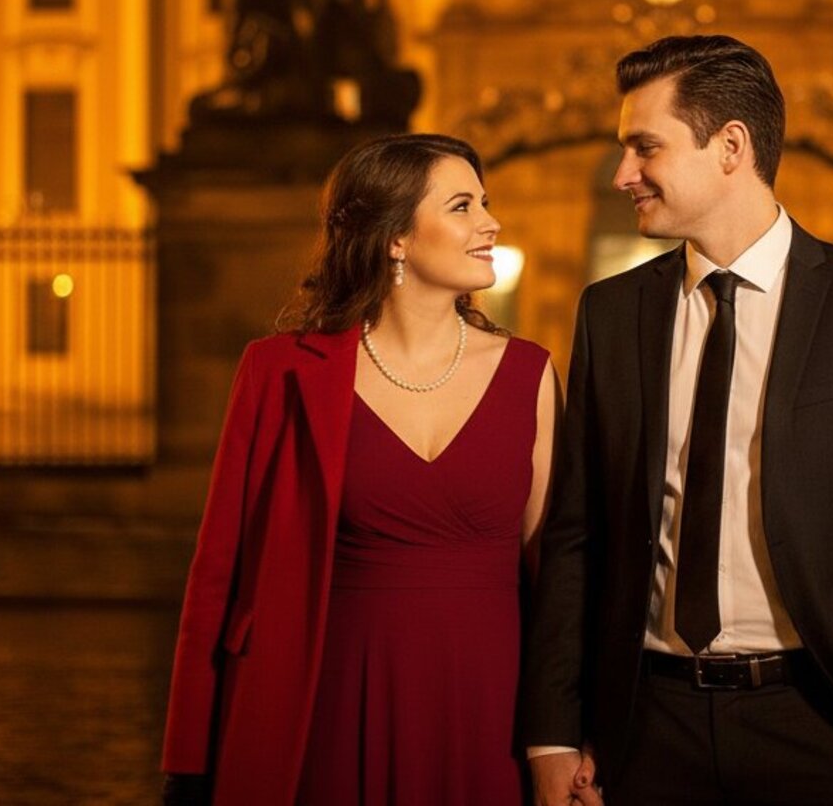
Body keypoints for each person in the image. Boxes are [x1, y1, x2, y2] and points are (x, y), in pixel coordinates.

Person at [524, 35, 833, 806]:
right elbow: (577, 536)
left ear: (730, 146)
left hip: (824, 720)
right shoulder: (611, 312)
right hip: (644, 725)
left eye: (644, 147)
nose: (621, 174)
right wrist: (555, 734)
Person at [161, 133, 579, 805]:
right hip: (330, 703)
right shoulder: (280, 372)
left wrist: (564, 735)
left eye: (486, 203)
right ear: (396, 238)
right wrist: (187, 761)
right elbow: (218, 573)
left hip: (490, 706)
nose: (489, 223)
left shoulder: (529, 372)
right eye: (462, 206)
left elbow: (558, 575)